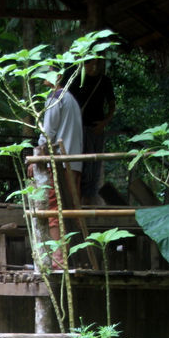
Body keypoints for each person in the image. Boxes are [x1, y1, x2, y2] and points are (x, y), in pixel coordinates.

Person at [32, 70, 83, 268]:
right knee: (68, 208)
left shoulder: (56, 97)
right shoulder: (70, 99)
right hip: (73, 162)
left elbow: (48, 133)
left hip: (60, 162)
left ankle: (58, 260)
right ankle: (65, 257)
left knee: (54, 208)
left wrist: (38, 159)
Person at [69, 58, 115, 205]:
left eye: (90, 62)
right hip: (80, 129)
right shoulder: (76, 80)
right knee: (82, 166)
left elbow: (112, 105)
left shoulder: (104, 81)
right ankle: (80, 201)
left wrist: (104, 123)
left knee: (94, 166)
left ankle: (88, 200)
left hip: (96, 129)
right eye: (86, 62)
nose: (88, 65)